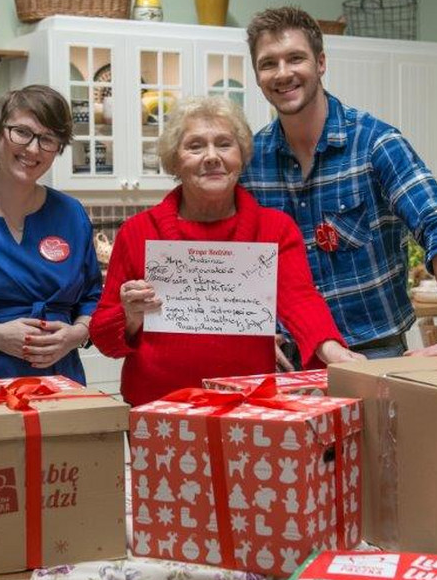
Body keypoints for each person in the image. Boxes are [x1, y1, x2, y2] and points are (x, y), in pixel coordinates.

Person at [241, 6, 437, 360]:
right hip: (288, 360)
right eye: (268, 63)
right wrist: (251, 330)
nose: (283, 73)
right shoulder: (250, 161)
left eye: (295, 58)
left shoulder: (375, 144)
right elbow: (236, 258)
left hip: (374, 353)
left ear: (321, 63)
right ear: (257, 74)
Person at [90, 96, 363, 406]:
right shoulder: (138, 232)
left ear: (241, 155)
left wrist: (332, 350)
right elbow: (102, 336)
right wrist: (129, 315)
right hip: (158, 409)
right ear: (175, 160)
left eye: (224, 144)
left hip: (247, 409)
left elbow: (300, 299)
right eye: (195, 146)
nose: (211, 157)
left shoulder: (275, 230)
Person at [0, 85, 102, 381]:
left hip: (62, 381)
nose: (33, 149)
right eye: (22, 132)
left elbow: (93, 298)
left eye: (48, 139)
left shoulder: (71, 213)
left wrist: (75, 335)